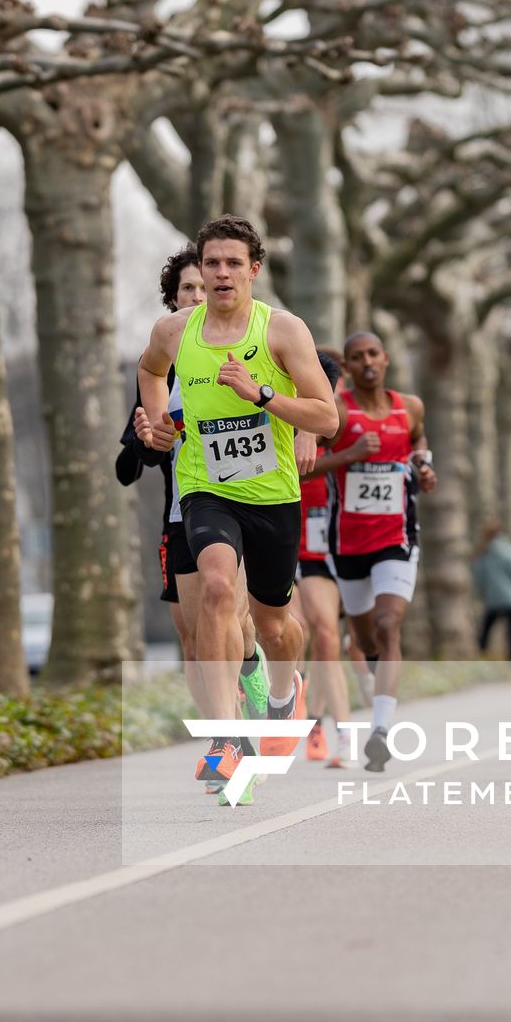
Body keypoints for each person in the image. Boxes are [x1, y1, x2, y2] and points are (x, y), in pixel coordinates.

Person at [135, 214, 340, 806]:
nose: (220, 274)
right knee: (219, 588)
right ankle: (227, 739)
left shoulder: (283, 331)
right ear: (200, 270)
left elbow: (327, 419)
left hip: (273, 494)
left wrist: (263, 395)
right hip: (205, 485)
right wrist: (157, 424)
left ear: (253, 270)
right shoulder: (175, 330)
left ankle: (284, 693)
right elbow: (150, 370)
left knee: (274, 622)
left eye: (232, 264)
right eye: (211, 264)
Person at [117, 246, 266, 724]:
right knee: (192, 634)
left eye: (204, 287)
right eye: (188, 289)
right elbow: (130, 465)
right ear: (174, 299)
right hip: (182, 512)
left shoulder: (251, 344)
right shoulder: (161, 368)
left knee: (234, 618)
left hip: (244, 503)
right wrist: (147, 440)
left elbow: (314, 382)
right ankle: (223, 741)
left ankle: (252, 669)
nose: (199, 295)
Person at [313, 331, 436, 771]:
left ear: (384, 359)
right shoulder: (339, 414)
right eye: (356, 356)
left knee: (388, 626)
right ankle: (360, 649)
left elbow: (419, 441)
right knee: (364, 640)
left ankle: (380, 732)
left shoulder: (411, 407)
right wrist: (348, 456)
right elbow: (303, 466)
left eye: (372, 354)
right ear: (346, 366)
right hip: (347, 543)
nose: (366, 361)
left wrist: (423, 464)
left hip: (396, 538)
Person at [292, 348, 350, 766]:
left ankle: (332, 731)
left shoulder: (345, 422)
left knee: (326, 634)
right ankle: (291, 703)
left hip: (321, 548)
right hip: (276, 536)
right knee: (292, 634)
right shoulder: (279, 407)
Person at [472, 519, 511, 661]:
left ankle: (481, 654)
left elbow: (479, 578)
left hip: (492, 598)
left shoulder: (483, 553)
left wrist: (485, 592)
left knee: (486, 629)